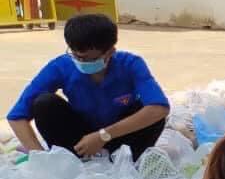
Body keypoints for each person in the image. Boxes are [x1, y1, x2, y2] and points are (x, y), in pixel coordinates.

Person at [7, 13, 169, 159]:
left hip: (119, 138)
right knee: (44, 103)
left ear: (110, 52)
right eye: (76, 56)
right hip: (80, 142)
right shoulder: (61, 66)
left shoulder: (130, 64)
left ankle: (124, 161)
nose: (81, 62)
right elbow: (17, 116)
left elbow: (160, 108)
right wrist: (41, 157)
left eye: (88, 59)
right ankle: (72, 162)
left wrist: (103, 135)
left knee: (151, 114)